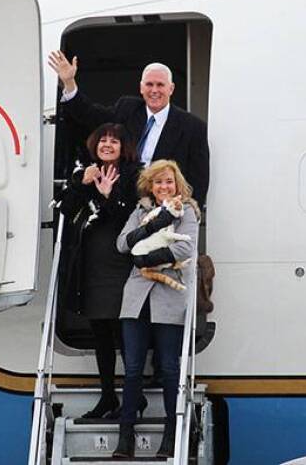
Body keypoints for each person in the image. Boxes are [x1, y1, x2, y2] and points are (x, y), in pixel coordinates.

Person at [112, 160, 200, 458]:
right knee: (133, 368)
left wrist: (146, 259)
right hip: (137, 298)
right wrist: (149, 228)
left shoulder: (186, 211)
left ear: (178, 185)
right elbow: (122, 244)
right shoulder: (140, 211)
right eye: (159, 182)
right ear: (150, 186)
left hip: (168, 296)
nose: (164, 187)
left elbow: (185, 248)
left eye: (169, 182)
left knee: (169, 368)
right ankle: (126, 437)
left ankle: (171, 436)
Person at [55, 123, 142, 419]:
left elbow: (132, 221)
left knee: (126, 331)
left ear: (123, 147)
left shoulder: (134, 175)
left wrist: (108, 195)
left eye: (114, 141)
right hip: (91, 264)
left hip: (121, 262)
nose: (107, 145)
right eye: (102, 140)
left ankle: (135, 396)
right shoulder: (86, 173)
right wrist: (83, 184)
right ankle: (108, 397)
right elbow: (65, 210)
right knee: (100, 333)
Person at [47, 50, 210, 207]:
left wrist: (186, 216)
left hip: (163, 211)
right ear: (141, 88)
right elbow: (89, 114)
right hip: (120, 204)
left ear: (171, 89)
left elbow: (199, 181)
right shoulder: (127, 108)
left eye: (160, 85)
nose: (154, 90)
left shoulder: (193, 127)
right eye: (149, 84)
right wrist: (69, 82)